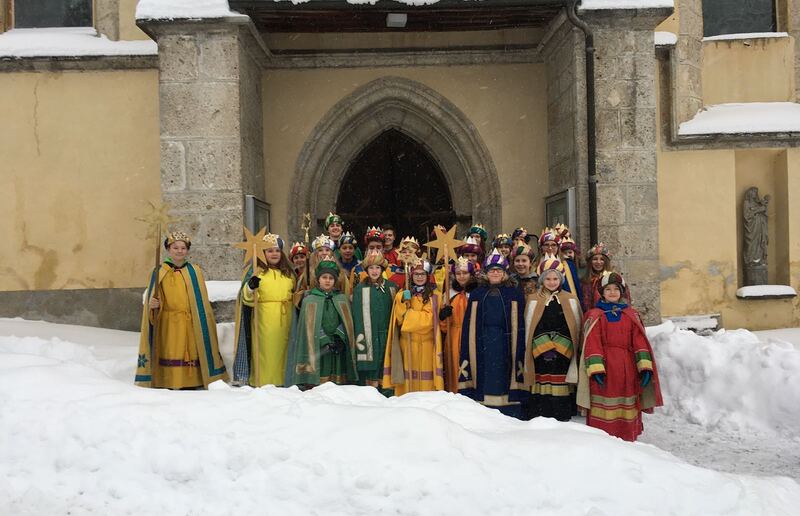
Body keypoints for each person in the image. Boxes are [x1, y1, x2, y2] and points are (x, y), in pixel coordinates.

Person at [136, 231, 228, 389]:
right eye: (175, 247)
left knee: (192, 349)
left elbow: (201, 300)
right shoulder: (159, 272)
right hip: (169, 320)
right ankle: (170, 380)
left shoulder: (194, 271)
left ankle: (193, 381)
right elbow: (155, 295)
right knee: (171, 349)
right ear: (168, 249)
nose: (179, 251)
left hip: (191, 320)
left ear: (187, 250)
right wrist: (154, 305)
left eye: (183, 248)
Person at [578, 272, 662, 441]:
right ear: (601, 292)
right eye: (608, 289)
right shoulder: (595, 315)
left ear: (622, 292)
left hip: (628, 368)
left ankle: (627, 436)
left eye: (616, 289)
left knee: (627, 401)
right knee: (604, 402)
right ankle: (603, 438)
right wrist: (596, 369)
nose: (612, 292)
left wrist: (644, 367)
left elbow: (639, 341)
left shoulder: (631, 315)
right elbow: (592, 342)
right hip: (606, 367)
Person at [458, 250, 528, 418]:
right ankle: (483, 408)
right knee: (485, 372)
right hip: (483, 341)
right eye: (491, 270)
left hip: (506, 341)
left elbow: (520, 321)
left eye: (499, 270)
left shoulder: (514, 293)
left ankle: (507, 409)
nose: (495, 273)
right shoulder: (477, 294)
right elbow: (470, 323)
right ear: (486, 273)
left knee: (504, 372)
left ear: (504, 273)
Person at [523, 255, 582, 421]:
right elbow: (531, 325)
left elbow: (573, 327)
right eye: (547, 278)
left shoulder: (570, 299)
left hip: (563, 350)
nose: (551, 281)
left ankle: (560, 412)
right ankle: (540, 411)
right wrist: (544, 346)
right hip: (540, 349)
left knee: (560, 380)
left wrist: (561, 346)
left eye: (555, 278)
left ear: (561, 279)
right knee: (542, 378)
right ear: (542, 280)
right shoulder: (534, 299)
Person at [232, 233, 296, 387]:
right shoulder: (257, 272)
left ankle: (284, 380)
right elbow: (246, 298)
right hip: (264, 318)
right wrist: (251, 286)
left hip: (286, 317)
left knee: (285, 351)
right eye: (269, 251)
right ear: (263, 253)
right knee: (266, 352)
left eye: (277, 251)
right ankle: (264, 381)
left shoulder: (288, 273)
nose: (274, 254)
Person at [287, 259, 358, 388]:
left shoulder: (341, 298)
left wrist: (339, 336)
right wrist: (324, 339)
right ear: (318, 279)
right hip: (318, 345)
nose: (327, 280)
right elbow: (308, 326)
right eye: (324, 277)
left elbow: (347, 321)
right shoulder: (310, 300)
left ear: (335, 280)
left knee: (336, 376)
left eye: (331, 278)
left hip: (337, 344)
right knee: (321, 373)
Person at [382, 259, 445, 394]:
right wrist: (405, 305)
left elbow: (429, 321)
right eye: (416, 274)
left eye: (422, 274)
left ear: (428, 276)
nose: (419, 277)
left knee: (426, 386)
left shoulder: (435, 296)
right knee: (407, 387)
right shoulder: (402, 295)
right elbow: (399, 320)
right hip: (407, 346)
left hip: (427, 347)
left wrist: (409, 316)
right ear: (411, 276)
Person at [352, 250, 397, 392]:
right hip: (368, 334)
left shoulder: (392, 287)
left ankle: (387, 392)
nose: (374, 271)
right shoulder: (360, 289)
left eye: (377, 267)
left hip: (387, 333)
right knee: (372, 365)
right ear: (366, 270)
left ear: (382, 269)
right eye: (371, 268)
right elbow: (356, 315)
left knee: (386, 361)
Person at [438, 256, 477, 393]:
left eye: (465, 273)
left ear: (471, 274)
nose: (461, 276)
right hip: (454, 336)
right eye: (458, 273)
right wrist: (443, 317)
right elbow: (443, 327)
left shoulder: (477, 293)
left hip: (472, 336)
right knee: (454, 368)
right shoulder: (449, 294)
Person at [581, 243, 631, 312]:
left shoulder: (615, 279)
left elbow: (626, 300)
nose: (598, 262)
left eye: (602, 259)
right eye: (595, 259)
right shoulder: (585, 282)